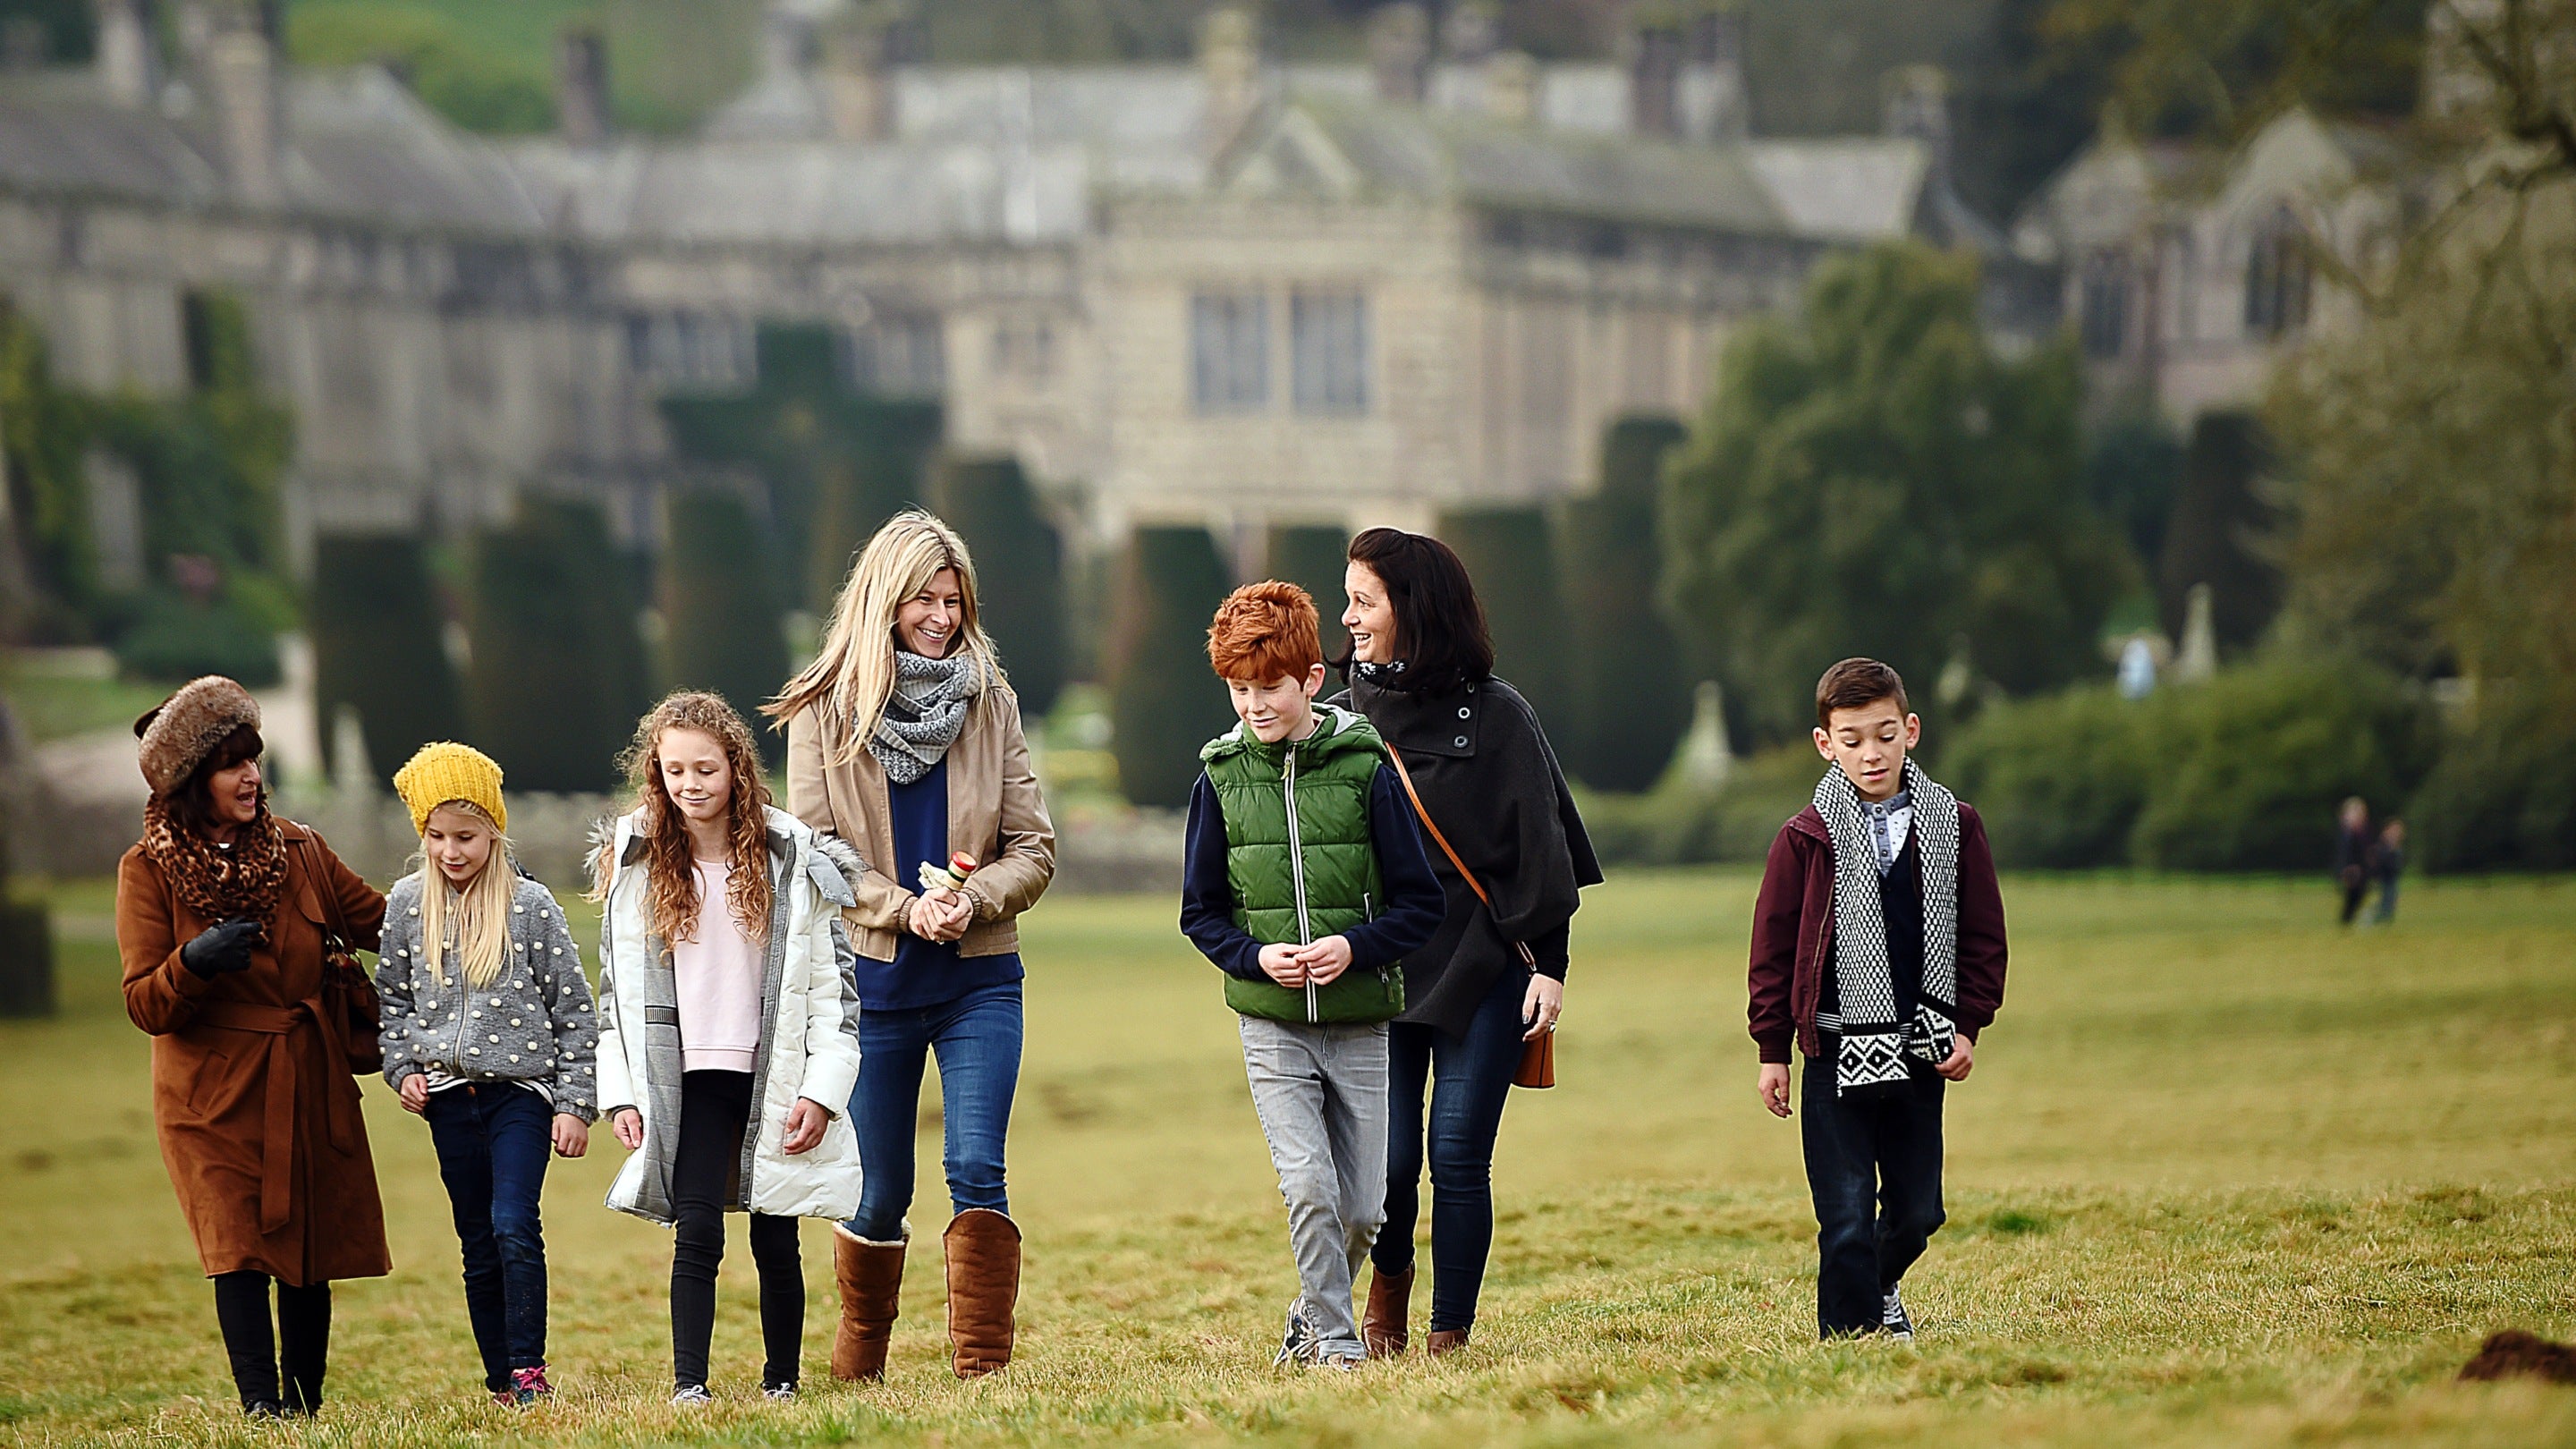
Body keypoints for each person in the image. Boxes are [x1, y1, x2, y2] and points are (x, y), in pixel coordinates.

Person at [772, 510, 1055, 1381]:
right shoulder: (823, 708)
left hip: (979, 981)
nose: (940, 616)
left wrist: (971, 900)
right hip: (875, 989)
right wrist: (906, 910)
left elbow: (1033, 845)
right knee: (879, 1189)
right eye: (922, 600)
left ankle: (984, 1372)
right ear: (882, 600)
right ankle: (861, 1364)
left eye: (953, 600)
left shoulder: (990, 700)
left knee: (975, 1163)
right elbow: (818, 853)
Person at [1336, 528, 1601, 1358]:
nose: (1345, 617)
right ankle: (1386, 1302)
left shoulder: (1500, 714)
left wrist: (1549, 970)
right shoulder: (1339, 721)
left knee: (1457, 1156)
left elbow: (1545, 850)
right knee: (1387, 1167)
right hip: (1379, 970)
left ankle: (1449, 1332)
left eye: (1362, 601)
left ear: (1411, 609)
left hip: (1485, 970)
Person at [1181, 580, 1446, 1368]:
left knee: (1366, 1208)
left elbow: (1420, 905)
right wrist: (1254, 957)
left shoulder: (1369, 769)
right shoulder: (1219, 780)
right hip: (1270, 1024)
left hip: (1362, 1019)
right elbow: (1201, 915)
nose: (1255, 706)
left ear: (1312, 680)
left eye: (1270, 688)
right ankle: (1336, 1345)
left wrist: (1354, 948)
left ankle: (1309, 1314)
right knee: (1308, 1190)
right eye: (1239, 690)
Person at [114, 676, 389, 1417]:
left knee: (309, 1249)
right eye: (231, 764)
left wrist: (485, 889)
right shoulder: (145, 871)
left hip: (307, 1077)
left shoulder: (301, 850)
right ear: (188, 782)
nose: (251, 777)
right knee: (235, 1245)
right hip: (207, 1097)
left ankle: (303, 1406)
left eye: (254, 759)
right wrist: (193, 963)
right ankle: (260, 1408)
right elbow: (144, 1001)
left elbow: (389, 928)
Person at [590, 692, 865, 1404]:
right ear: (657, 773)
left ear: (737, 769)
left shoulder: (790, 857)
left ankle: (782, 1380)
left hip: (774, 1074)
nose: (691, 784)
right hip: (691, 1076)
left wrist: (821, 1092)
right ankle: (691, 1384)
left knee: (777, 1237)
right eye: (675, 770)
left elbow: (838, 994)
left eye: (705, 769)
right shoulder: (638, 862)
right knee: (698, 1232)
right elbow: (614, 994)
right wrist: (620, 1090)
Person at [1748, 658, 2009, 1340]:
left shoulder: (1955, 826)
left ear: (1911, 730)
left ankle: (1881, 1283)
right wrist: (1773, 1051)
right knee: (1843, 1213)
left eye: (1885, 734)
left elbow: (1983, 935)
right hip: (1835, 1049)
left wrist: (1969, 1025)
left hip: (1922, 1047)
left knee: (1919, 1212)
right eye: (1854, 738)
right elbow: (1773, 953)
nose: (1872, 753)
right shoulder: (1804, 838)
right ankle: (1850, 1341)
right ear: (1825, 743)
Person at [374, 742, 597, 1406]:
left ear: (494, 831)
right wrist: (401, 1066)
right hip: (447, 1100)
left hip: (521, 1096)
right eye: (437, 836)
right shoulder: (408, 904)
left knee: (511, 1223)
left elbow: (574, 1009)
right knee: (476, 1239)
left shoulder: (531, 907)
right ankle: (501, 1378)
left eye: (466, 836)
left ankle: (530, 1370)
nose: (451, 851)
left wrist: (574, 1103)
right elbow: (391, 999)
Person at [2334, 797, 2372, 926]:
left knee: (2358, 896)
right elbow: (2344, 854)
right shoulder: (2347, 834)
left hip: (2361, 870)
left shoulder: (2362, 833)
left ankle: (2347, 921)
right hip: (2351, 870)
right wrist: (2345, 869)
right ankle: (2346, 921)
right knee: (2352, 897)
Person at [2370, 818, 2406, 925]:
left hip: (2392, 876)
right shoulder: (2383, 846)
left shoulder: (2396, 846)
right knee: (2385, 898)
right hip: (2385, 877)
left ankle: (2386, 917)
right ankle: (2379, 917)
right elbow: (2381, 861)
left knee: (2391, 897)